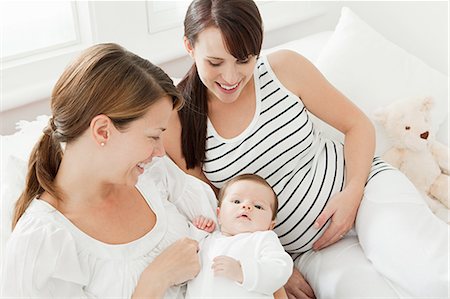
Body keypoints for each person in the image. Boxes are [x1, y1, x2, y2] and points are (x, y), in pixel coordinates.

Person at [163, 0, 449, 298]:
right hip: (309, 251)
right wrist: (270, 268)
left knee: (431, 274)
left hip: (365, 193)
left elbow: (357, 125)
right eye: (215, 63)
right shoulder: (179, 119)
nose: (232, 77)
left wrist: (351, 196)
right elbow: (208, 207)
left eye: (244, 59)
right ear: (189, 46)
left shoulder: (283, 68)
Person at [1, 43, 219, 298]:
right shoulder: (43, 245)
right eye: (153, 136)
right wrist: (155, 281)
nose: (161, 151)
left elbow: (226, 234)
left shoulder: (151, 174)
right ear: (102, 131)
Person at [186, 174, 293, 298]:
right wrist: (198, 231)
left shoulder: (264, 239)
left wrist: (242, 272)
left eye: (258, 206)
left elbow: (280, 270)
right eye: (236, 201)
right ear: (219, 215)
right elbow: (188, 258)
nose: (246, 206)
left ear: (270, 225)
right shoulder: (209, 239)